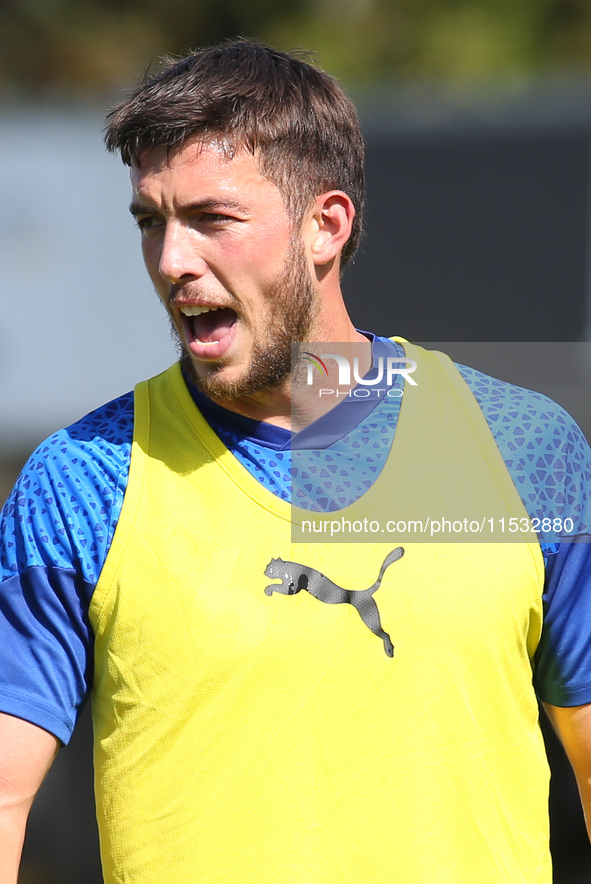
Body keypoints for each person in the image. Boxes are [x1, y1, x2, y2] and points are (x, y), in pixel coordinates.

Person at [1, 39, 591, 884]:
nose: (171, 260)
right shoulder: (84, 476)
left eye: (212, 218)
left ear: (326, 225)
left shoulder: (524, 446)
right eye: (150, 220)